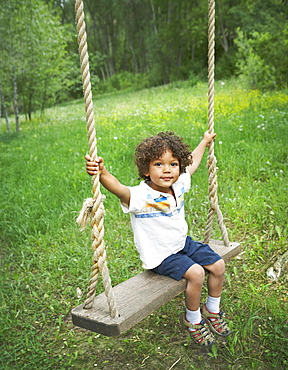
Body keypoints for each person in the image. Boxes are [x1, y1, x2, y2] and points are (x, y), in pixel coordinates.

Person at [85, 131, 231, 346]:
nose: (167, 170)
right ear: (146, 169)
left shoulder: (179, 183)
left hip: (182, 244)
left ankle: (212, 309)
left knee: (218, 265)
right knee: (197, 274)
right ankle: (193, 320)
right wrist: (102, 172)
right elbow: (119, 189)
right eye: (158, 164)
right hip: (162, 256)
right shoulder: (141, 196)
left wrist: (204, 141)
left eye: (173, 164)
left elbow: (192, 163)